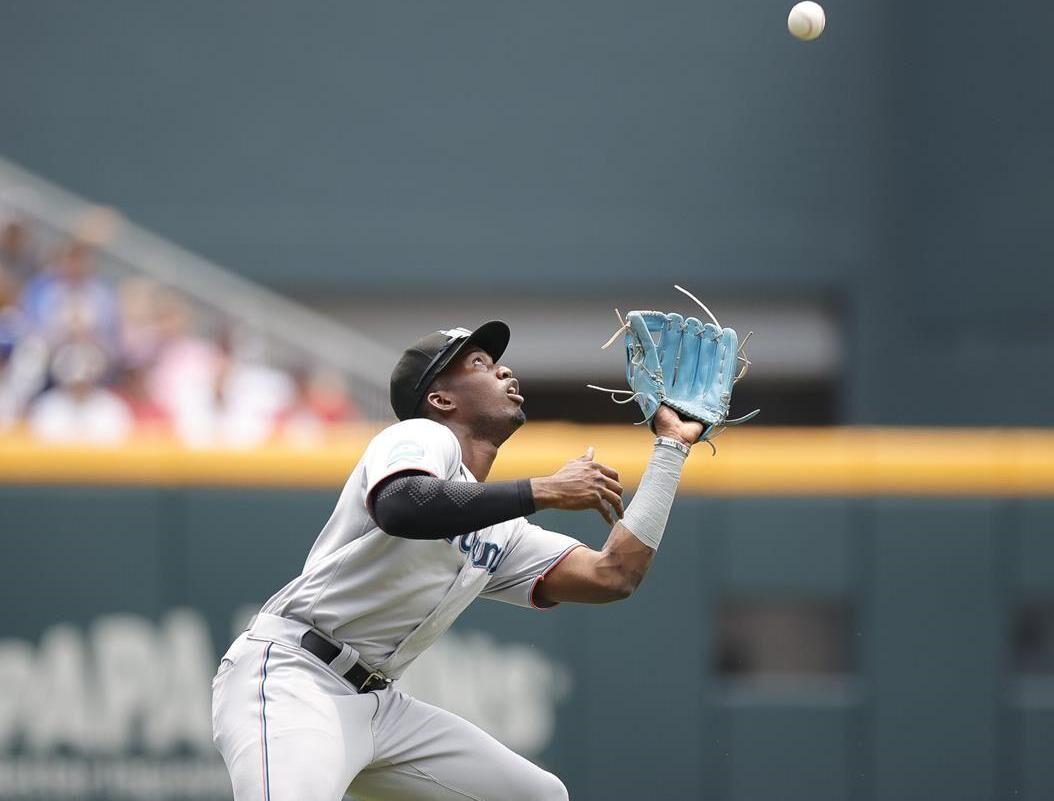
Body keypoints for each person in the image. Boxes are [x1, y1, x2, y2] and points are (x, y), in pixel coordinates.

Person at [210, 321, 702, 800]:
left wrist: (671, 450)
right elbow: (402, 504)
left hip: (377, 704)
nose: (505, 372)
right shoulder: (425, 437)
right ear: (441, 400)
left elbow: (611, 575)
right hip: (295, 678)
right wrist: (545, 490)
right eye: (481, 364)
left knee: (538, 795)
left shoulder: (499, 529)